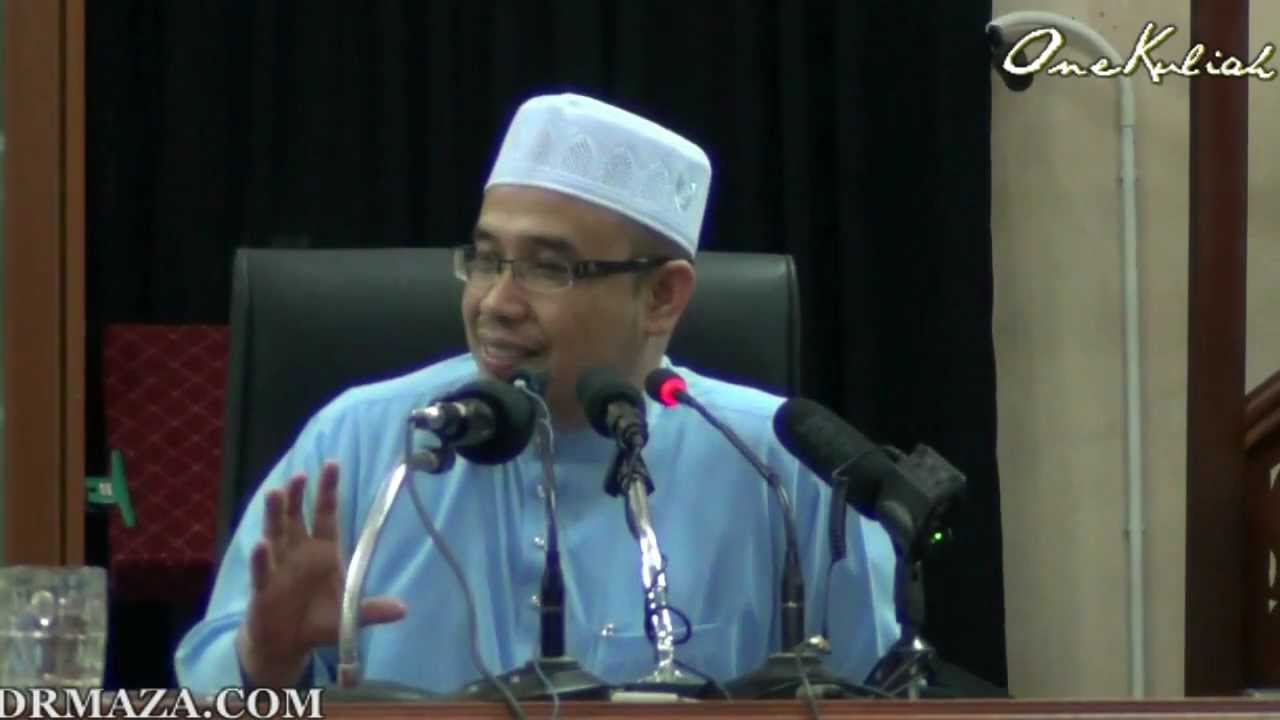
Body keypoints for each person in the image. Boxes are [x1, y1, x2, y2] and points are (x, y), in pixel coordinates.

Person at [175, 92, 898, 694]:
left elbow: (882, 700)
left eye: (549, 270)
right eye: (487, 260)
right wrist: (266, 659)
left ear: (663, 296)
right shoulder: (366, 441)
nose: (495, 303)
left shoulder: (778, 469)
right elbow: (207, 696)